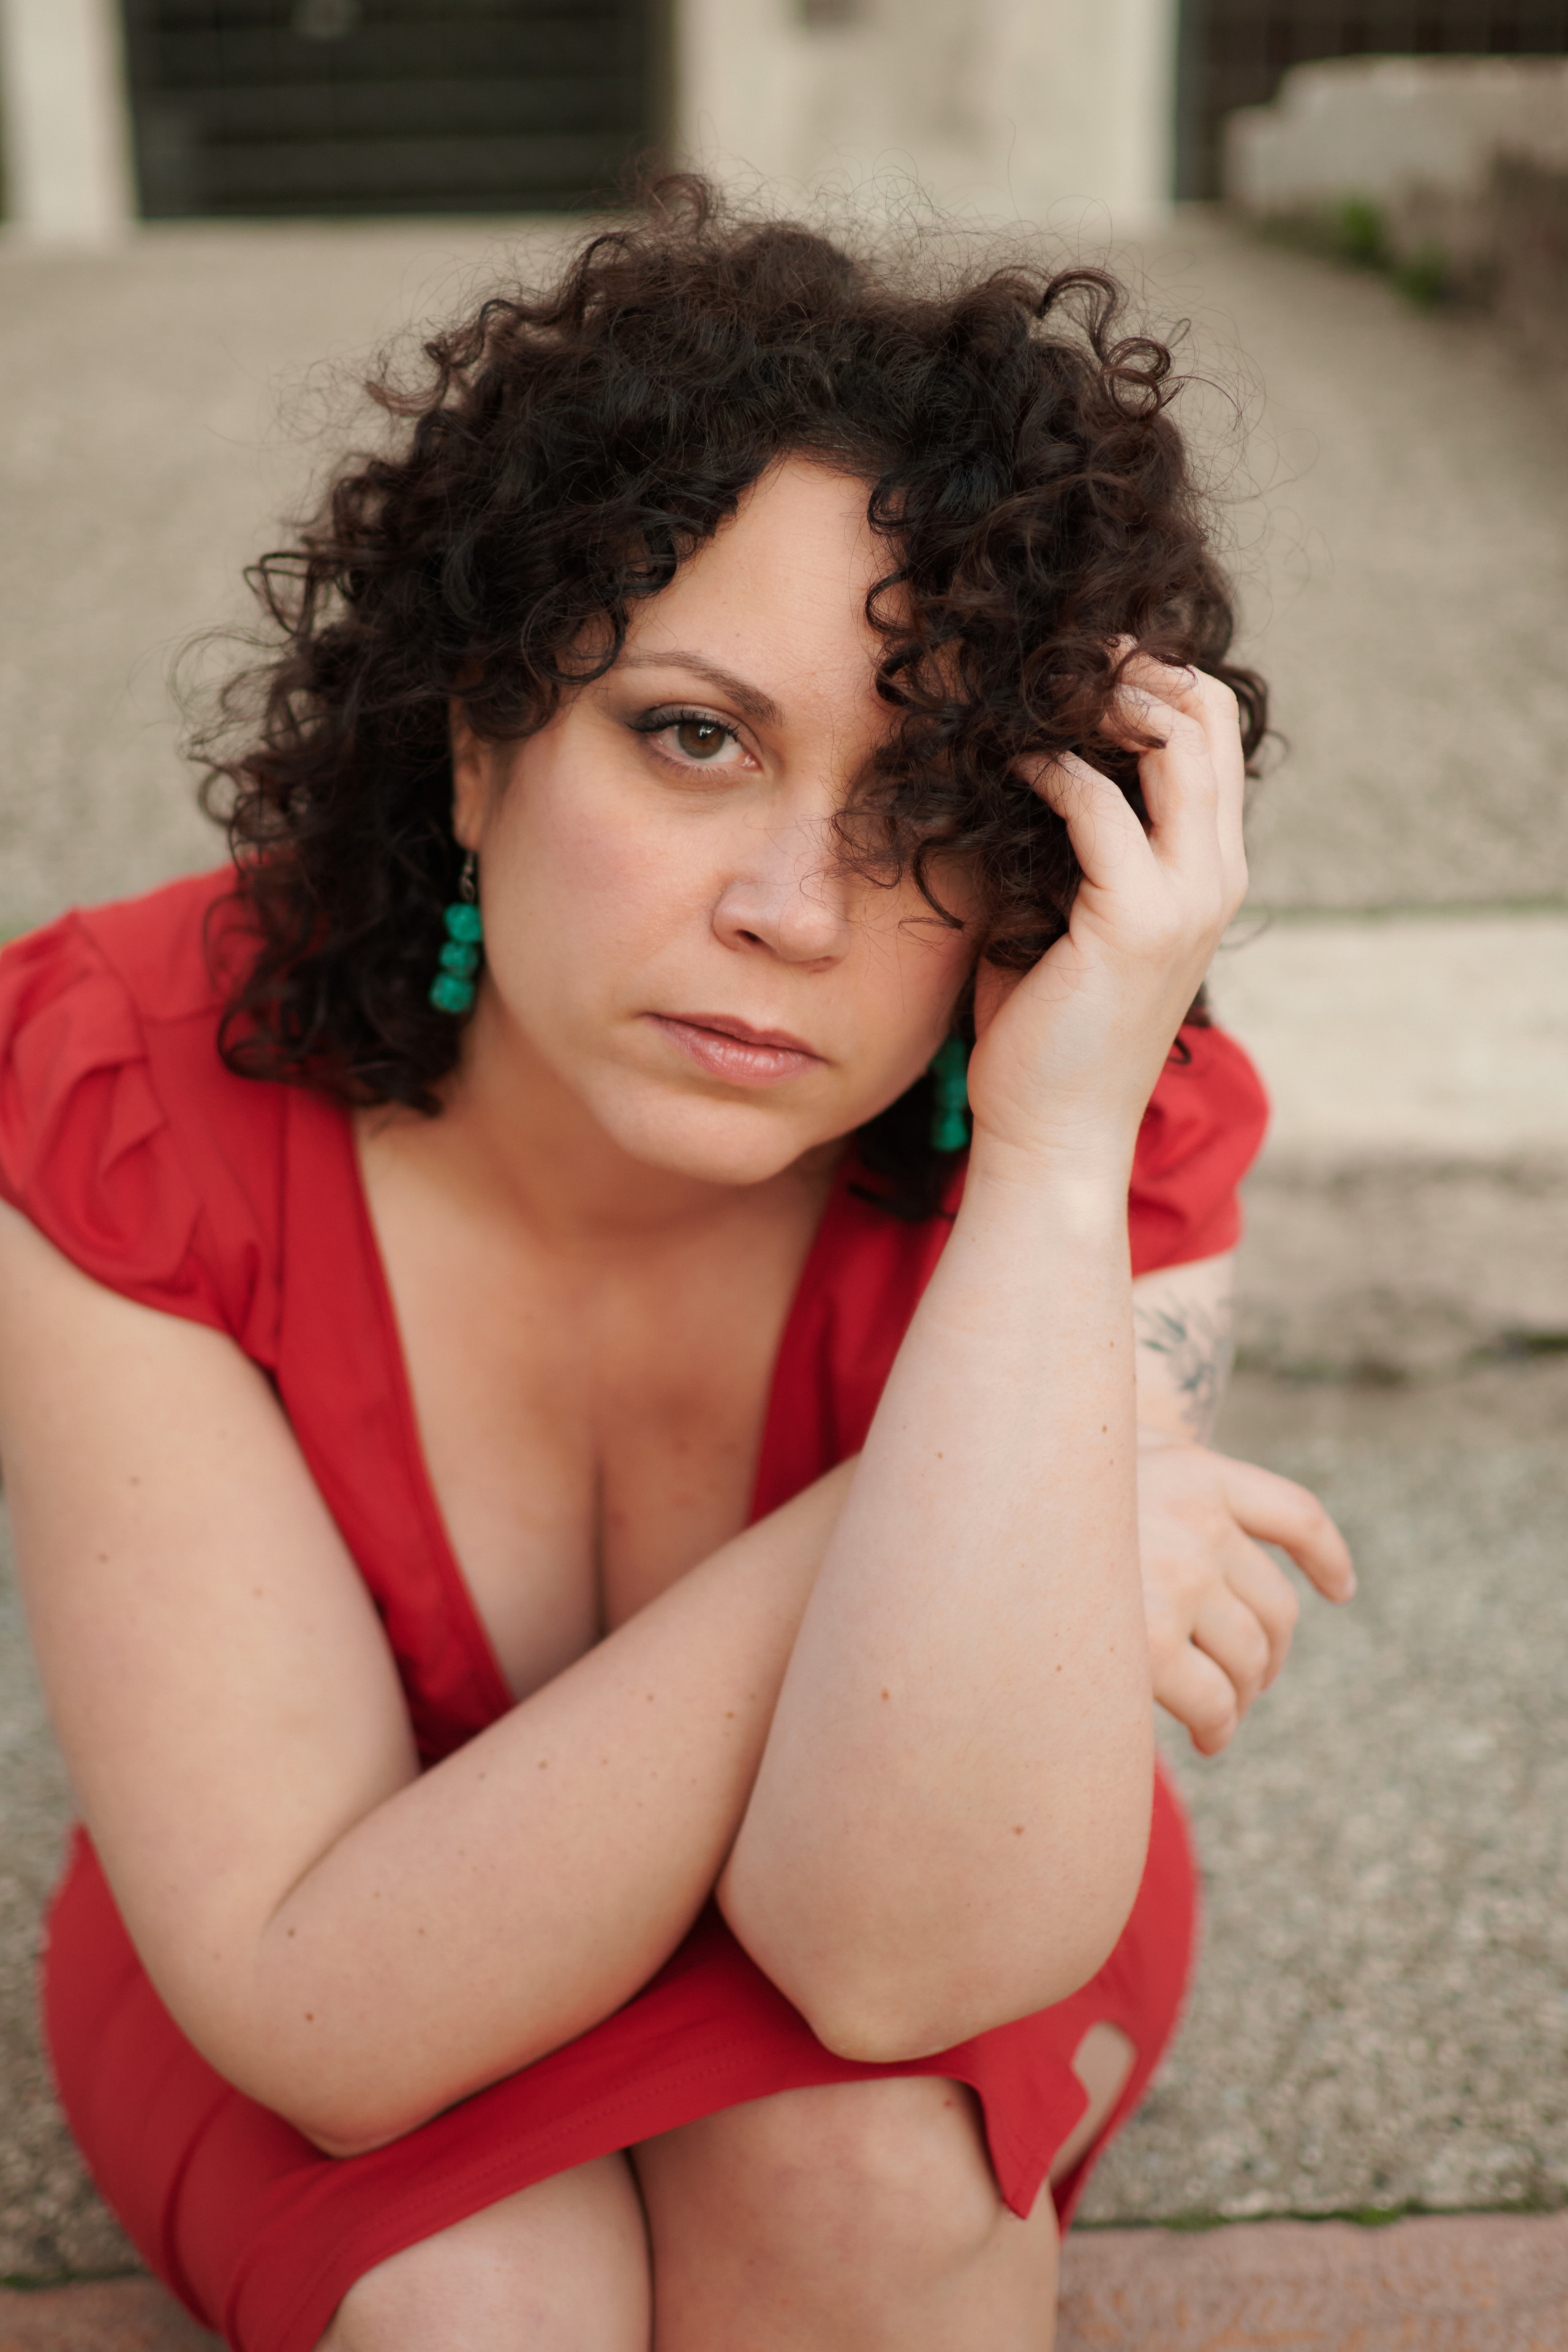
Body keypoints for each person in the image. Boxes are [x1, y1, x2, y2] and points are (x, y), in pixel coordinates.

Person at [0, 181, 1354, 2352]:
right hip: (332, 1919)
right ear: (477, 734)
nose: (796, 911)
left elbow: (899, 1960)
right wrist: (955, 1506)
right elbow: (322, 2004)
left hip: (914, 1870)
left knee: (853, 2198)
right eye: (694, 735)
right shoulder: (120, 1091)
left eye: (927, 803)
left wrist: (1055, 1154)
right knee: (472, 2305)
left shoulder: (1094, 1115)